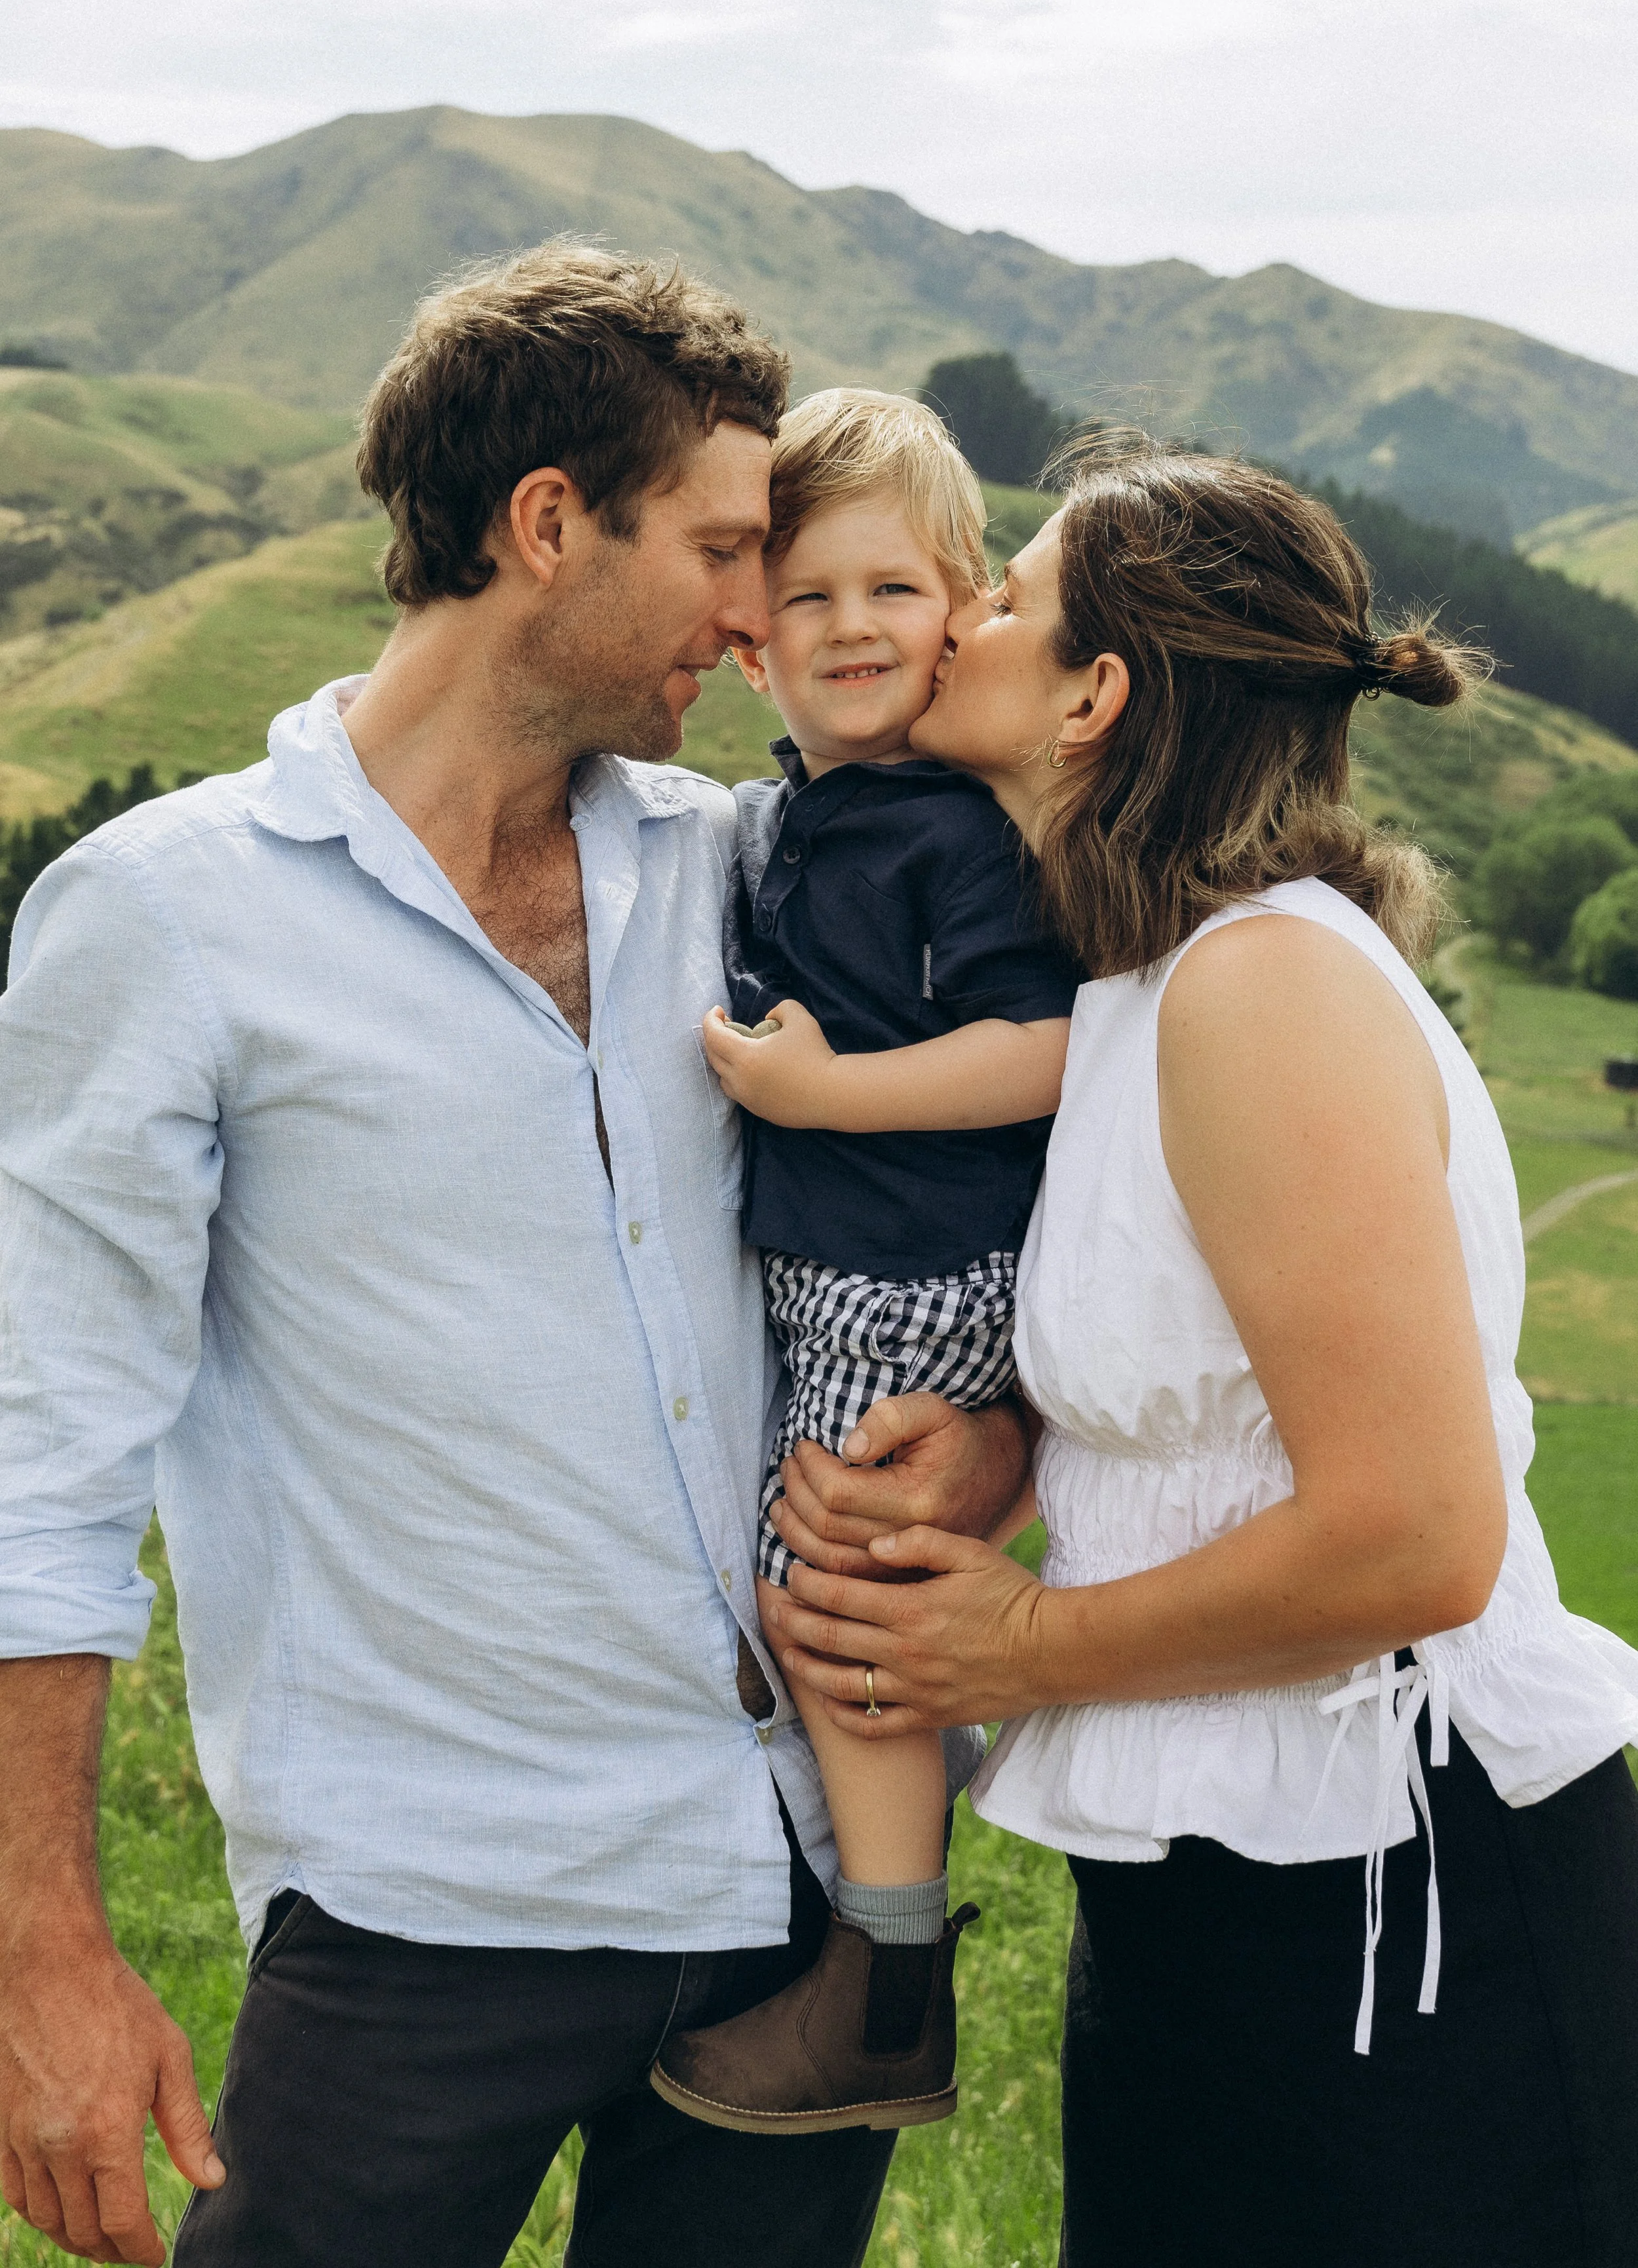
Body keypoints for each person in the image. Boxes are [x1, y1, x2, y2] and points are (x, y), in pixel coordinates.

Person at [0, 246, 1031, 2268]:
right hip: (428, 1912)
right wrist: (42, 1952)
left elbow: (960, 1210)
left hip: (791, 1901)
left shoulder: (739, 864)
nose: (759, 613)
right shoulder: (169, 918)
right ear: (548, 525)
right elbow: (36, 1466)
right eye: (729, 548)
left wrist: (991, 1447)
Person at [761, 441, 1638, 2266]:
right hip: (1222, 1883)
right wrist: (999, 1444)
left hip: (1402, 1903)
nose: (953, 629)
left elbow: (1413, 1535)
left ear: (1093, 695)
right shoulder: (1142, 983)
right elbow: (1207, 1393)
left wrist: (1015, 1641)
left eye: (999, 597)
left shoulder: (1261, 985)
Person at [647, 390, 1075, 2134]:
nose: (848, 629)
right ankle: (885, 1867)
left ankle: (884, 1979)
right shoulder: (811, 811)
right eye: (807, 597)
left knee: (824, 1609)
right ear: (752, 642)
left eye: (891, 591)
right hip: (855, 1274)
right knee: (818, 1593)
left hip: (913, 1277)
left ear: (967, 605)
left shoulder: (949, 829)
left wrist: (829, 1093)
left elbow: (1042, 1045)